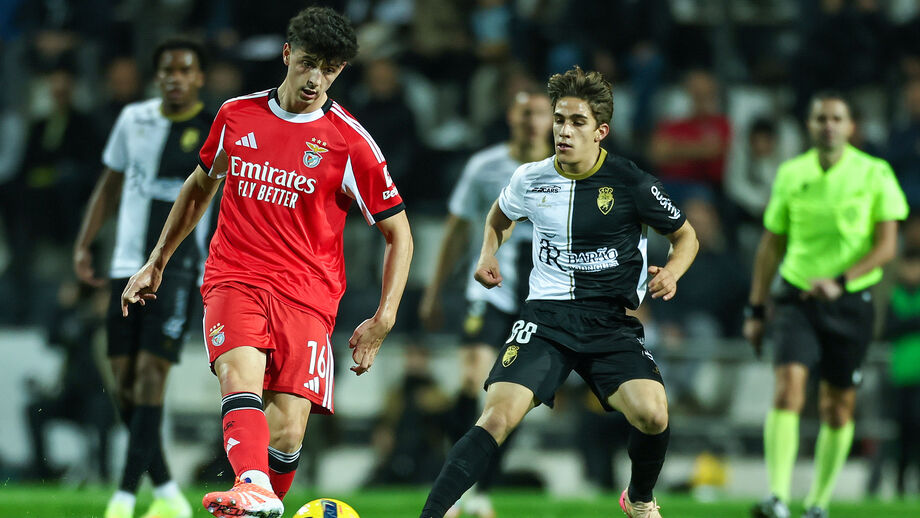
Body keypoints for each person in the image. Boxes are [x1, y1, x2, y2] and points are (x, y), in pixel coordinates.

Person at [120, 8, 413, 518]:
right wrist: (157, 260)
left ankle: (261, 498)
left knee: (287, 430)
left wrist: (385, 316)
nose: (316, 78)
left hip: (309, 295)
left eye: (330, 68)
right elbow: (199, 187)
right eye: (308, 63)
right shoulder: (236, 115)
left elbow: (400, 234)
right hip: (234, 277)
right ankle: (252, 484)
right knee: (239, 374)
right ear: (287, 55)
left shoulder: (350, 142)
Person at [418, 66, 699, 518]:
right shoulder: (531, 177)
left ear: (600, 132)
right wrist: (488, 253)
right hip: (546, 319)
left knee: (653, 415)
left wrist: (674, 272)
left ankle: (640, 499)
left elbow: (687, 236)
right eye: (559, 120)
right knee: (495, 417)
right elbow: (498, 215)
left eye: (577, 122)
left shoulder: (632, 184)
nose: (563, 131)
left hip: (610, 323)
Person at [745, 91, 909, 518]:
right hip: (797, 296)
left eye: (837, 118)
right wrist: (757, 310)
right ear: (809, 125)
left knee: (838, 406)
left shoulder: (875, 173)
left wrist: (841, 281)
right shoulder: (790, 173)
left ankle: (818, 503)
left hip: (851, 302)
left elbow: (887, 245)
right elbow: (771, 245)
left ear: (851, 126)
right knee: (788, 388)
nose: (829, 125)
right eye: (821, 118)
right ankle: (778, 498)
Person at [73, 37, 213, 518]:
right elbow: (109, 184)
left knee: (152, 377)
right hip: (123, 266)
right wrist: (84, 241)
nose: (175, 78)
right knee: (126, 386)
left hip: (179, 267)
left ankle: (125, 495)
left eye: (185, 70)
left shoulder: (216, 127)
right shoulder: (134, 121)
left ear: (199, 78)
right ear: (158, 77)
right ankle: (170, 492)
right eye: (167, 70)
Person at [418, 86, 553, 518]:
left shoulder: (566, 170)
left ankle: (480, 493)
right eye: (524, 113)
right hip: (490, 293)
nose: (532, 122)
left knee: (510, 401)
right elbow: (456, 230)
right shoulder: (485, 166)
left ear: (551, 121)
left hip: (539, 300)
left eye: (539, 114)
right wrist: (434, 292)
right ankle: (456, 486)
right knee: (471, 379)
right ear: (511, 119)